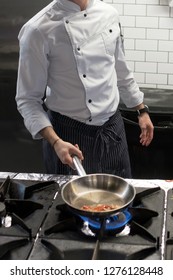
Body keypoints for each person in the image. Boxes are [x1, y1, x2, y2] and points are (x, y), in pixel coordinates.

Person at [16, 0, 154, 177]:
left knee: (118, 196)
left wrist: (141, 110)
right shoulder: (37, 30)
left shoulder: (109, 14)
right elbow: (27, 100)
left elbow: (120, 69)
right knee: (72, 202)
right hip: (67, 136)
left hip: (112, 129)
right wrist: (55, 141)